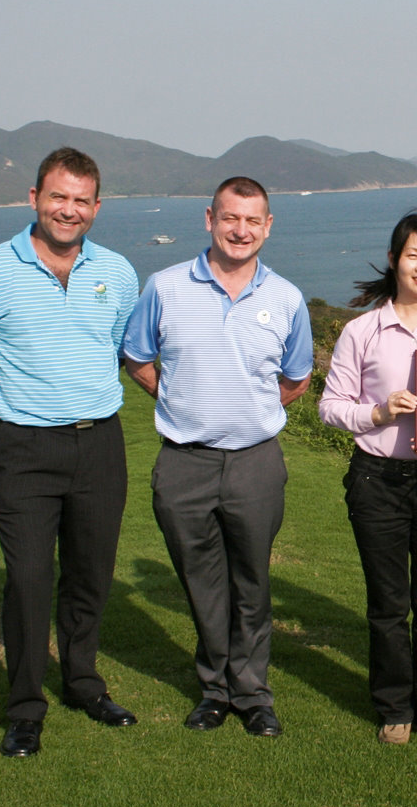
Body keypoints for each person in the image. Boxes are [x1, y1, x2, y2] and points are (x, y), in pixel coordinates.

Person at [0, 147, 141, 758]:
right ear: (34, 198)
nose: (69, 210)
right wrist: (18, 408)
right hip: (25, 447)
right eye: (58, 196)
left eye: (82, 200)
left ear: (96, 208)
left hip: (100, 444)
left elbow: (124, 351)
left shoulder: (119, 272)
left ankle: (83, 683)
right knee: (29, 578)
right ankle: (26, 707)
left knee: (89, 575)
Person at [122, 177, 312, 738]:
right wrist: (179, 402)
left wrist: (248, 412)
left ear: (268, 226)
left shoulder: (287, 298)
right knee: (201, 583)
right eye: (231, 218)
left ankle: (253, 696)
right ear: (210, 218)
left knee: (252, 582)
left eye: (253, 221)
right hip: (184, 462)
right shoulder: (165, 285)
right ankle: (214, 691)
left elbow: (296, 380)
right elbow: (137, 359)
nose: (241, 230)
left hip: (255, 462)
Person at [318, 211, 417, 754]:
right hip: (376, 481)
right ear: (393, 260)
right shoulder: (362, 331)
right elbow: (331, 408)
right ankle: (394, 708)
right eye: (414, 254)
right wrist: (380, 412)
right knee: (388, 605)